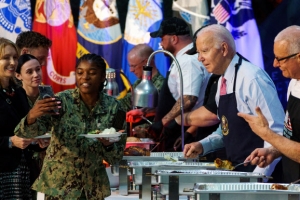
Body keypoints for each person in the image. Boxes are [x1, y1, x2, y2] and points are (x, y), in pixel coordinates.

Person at [14, 53, 127, 199]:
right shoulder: (61, 101)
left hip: (92, 189)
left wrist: (108, 146)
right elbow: (26, 133)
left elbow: (116, 157)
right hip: (59, 187)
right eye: (80, 72)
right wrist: (31, 117)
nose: (85, 77)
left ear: (103, 77)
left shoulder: (115, 108)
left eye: (92, 73)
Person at [183, 24, 285, 176]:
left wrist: (258, 179)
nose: (200, 58)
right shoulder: (222, 80)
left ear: (223, 49)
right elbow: (226, 129)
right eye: (198, 53)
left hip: (260, 176)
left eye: (204, 51)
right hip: (239, 173)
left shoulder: (252, 78)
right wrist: (202, 145)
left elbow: (277, 133)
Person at [127, 17, 211, 151]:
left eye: (162, 38)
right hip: (178, 131)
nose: (160, 43)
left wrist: (163, 122)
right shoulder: (181, 59)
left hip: (185, 133)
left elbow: (188, 99)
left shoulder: (188, 61)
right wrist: (148, 111)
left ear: (174, 39)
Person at [238, 25, 300, 183]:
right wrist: (273, 151)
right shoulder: (294, 83)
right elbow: (292, 137)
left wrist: (267, 134)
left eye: (280, 58)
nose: (274, 64)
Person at [0, 38, 46, 199]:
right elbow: (13, 138)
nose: (12, 62)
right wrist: (10, 141)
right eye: (6, 58)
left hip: (24, 172)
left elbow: (24, 131)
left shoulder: (18, 92)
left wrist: (38, 142)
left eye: (14, 57)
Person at [119, 44, 164, 138]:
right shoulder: (138, 84)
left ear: (146, 62)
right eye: (129, 66)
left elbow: (159, 117)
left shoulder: (162, 86)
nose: (131, 70)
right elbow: (124, 103)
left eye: (134, 66)